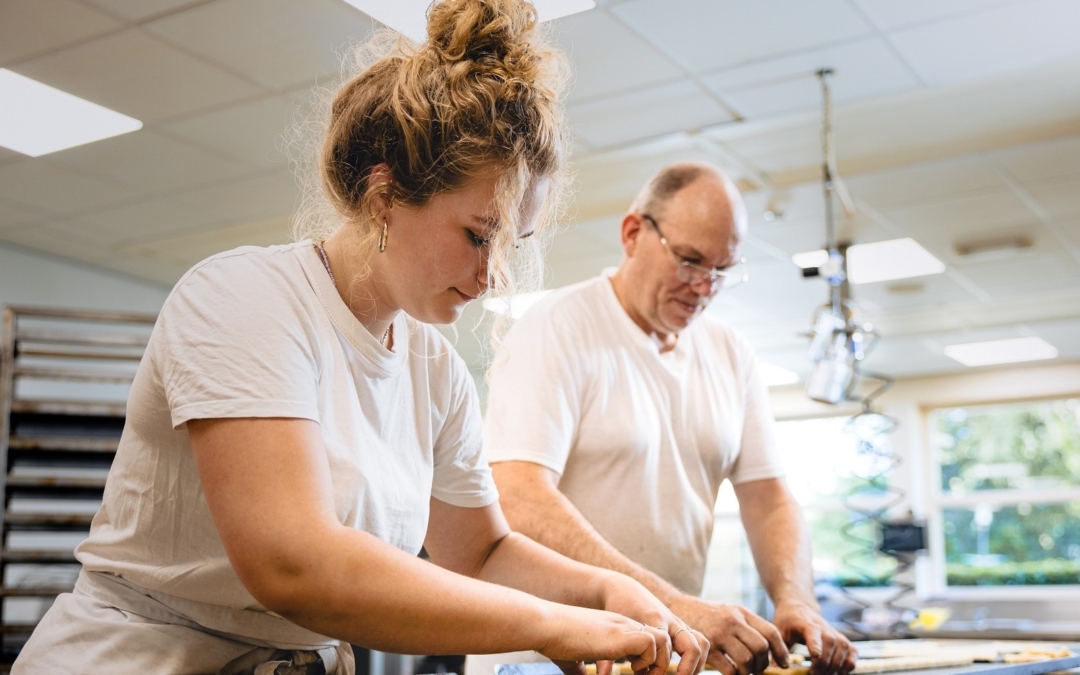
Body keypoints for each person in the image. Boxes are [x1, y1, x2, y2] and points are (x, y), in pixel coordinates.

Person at [12, 3, 710, 673]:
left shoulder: (434, 372)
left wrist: (601, 592)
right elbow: (293, 562)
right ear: (384, 197)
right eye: (477, 235)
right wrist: (556, 624)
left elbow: (483, 549)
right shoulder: (245, 299)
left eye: (512, 243)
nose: (493, 274)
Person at [471, 163, 858, 675]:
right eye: (690, 261)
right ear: (634, 233)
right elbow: (519, 496)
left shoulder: (729, 352)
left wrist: (796, 599)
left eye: (723, 270)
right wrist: (673, 606)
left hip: (661, 655)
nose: (704, 287)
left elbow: (768, 498)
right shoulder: (556, 327)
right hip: (536, 659)